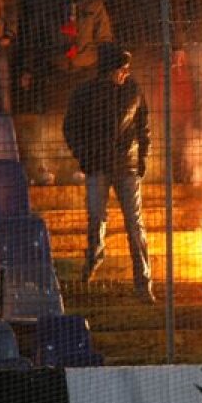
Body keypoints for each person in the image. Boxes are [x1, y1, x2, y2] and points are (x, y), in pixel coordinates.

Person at [61, 43, 153, 302]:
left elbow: (143, 126)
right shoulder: (85, 93)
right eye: (122, 68)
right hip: (98, 165)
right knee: (97, 218)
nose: (126, 72)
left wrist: (142, 159)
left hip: (126, 166)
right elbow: (70, 127)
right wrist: (84, 156)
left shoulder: (133, 90)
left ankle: (143, 282)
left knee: (134, 224)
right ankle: (94, 257)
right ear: (109, 70)